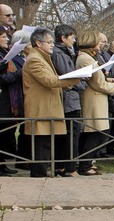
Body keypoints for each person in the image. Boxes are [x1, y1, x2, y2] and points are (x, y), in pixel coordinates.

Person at [22, 27, 80, 177]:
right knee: (42, 144)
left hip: (47, 106)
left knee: (46, 143)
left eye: (52, 42)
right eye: (49, 42)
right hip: (41, 108)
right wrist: (74, 78)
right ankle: (39, 175)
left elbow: (53, 80)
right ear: (38, 43)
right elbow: (49, 80)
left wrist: (70, 81)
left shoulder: (42, 57)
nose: (52, 45)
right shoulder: (35, 59)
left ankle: (42, 173)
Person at [76, 31, 114, 175]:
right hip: (94, 99)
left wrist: (111, 80)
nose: (100, 45)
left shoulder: (88, 57)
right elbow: (97, 83)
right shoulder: (86, 59)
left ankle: (87, 163)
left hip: (96, 98)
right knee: (95, 133)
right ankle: (85, 165)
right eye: (98, 42)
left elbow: (99, 79)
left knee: (96, 133)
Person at [50, 24, 86, 177]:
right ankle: (69, 168)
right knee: (72, 134)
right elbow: (68, 76)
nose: (74, 40)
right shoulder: (60, 54)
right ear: (63, 38)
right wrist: (81, 81)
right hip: (69, 99)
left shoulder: (65, 52)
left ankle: (61, 166)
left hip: (70, 98)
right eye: (72, 37)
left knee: (68, 134)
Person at [10, 29, 32, 170]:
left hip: (26, 96)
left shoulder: (25, 58)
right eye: (30, 43)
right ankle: (22, 159)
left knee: (27, 129)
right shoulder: (15, 59)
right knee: (23, 131)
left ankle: (26, 158)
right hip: (18, 96)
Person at [0, 28, 20, 176]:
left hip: (6, 100)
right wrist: (18, 73)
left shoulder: (3, 53)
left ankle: (2, 165)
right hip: (2, 99)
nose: (7, 40)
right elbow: (2, 79)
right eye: (3, 37)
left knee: (5, 133)